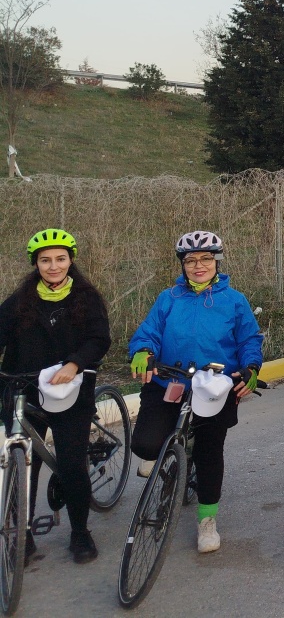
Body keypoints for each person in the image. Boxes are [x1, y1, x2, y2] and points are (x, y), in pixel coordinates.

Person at [129, 231, 263, 554]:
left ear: (216, 262)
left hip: (214, 387)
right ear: (183, 265)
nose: (198, 266)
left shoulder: (234, 301)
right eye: (191, 260)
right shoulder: (169, 298)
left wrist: (251, 368)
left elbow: (249, 340)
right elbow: (148, 332)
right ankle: (166, 456)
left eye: (205, 259)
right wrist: (143, 350)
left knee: (208, 453)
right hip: (169, 380)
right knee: (145, 443)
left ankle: (207, 521)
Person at [0, 229, 110, 564]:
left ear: (70, 261)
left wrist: (75, 364)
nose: (53, 266)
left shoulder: (86, 297)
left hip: (69, 390)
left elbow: (98, 338)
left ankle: (80, 532)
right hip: (23, 386)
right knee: (22, 463)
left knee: (71, 463)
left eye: (60, 259)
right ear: (36, 263)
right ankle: (23, 534)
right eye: (45, 260)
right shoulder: (19, 301)